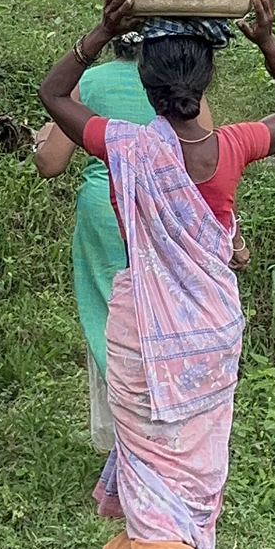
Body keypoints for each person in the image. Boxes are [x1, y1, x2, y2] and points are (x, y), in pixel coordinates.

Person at [38, 0, 275, 549]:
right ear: (206, 81)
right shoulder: (230, 149)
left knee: (154, 484)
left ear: (148, 85)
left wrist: (97, 31)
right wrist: (266, 39)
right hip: (209, 344)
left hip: (142, 342)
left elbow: (51, 93)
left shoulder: (123, 145)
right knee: (187, 481)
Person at [33, 41, 227, 453]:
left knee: (110, 322)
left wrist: (41, 140)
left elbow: (50, 164)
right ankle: (169, 423)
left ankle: (123, 433)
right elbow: (205, 161)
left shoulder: (88, 81)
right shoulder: (179, 86)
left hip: (105, 216)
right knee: (161, 316)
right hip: (166, 218)